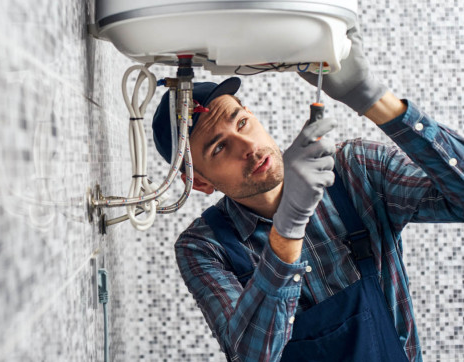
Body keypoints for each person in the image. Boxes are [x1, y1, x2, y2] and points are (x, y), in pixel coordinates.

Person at [151, 28, 464, 361]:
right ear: (199, 182)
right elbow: (252, 355)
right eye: (219, 147)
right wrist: (288, 230)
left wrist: (373, 98)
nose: (249, 147)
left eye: (241, 122)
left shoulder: (353, 170)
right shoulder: (204, 247)